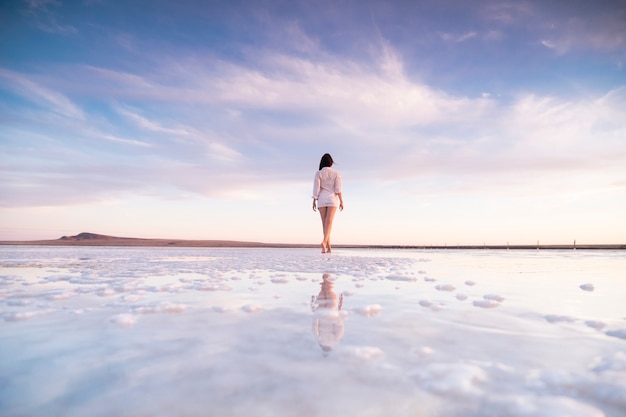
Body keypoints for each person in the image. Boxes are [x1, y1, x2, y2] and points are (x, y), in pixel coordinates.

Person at [312, 153, 343, 253]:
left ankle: (328, 248)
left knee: (325, 224)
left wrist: (314, 200)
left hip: (321, 199)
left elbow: (316, 188)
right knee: (329, 222)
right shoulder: (336, 173)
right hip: (332, 199)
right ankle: (325, 242)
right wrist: (341, 201)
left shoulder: (319, 173)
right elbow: (338, 189)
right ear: (331, 163)